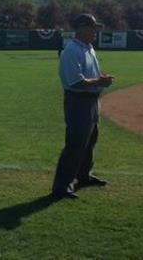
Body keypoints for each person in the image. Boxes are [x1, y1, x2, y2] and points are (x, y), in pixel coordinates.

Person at [51, 13, 114, 199]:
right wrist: (99, 82)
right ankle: (61, 186)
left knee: (90, 141)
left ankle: (84, 176)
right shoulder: (72, 50)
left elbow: (89, 75)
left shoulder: (88, 48)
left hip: (91, 101)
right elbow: (75, 82)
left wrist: (99, 79)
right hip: (78, 102)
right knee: (75, 144)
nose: (96, 32)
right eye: (93, 28)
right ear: (82, 28)